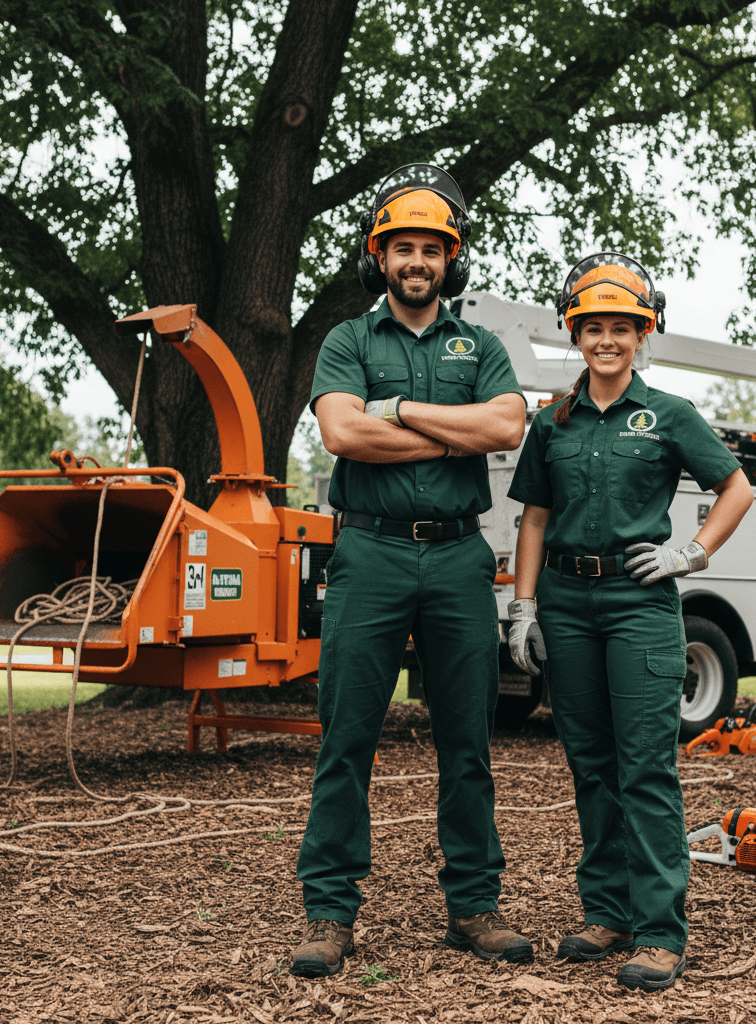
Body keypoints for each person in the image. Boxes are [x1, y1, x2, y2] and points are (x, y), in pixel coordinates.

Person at [291, 165, 530, 978]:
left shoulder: (481, 345)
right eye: (403, 249)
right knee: (347, 736)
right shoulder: (348, 341)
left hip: (460, 556)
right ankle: (329, 913)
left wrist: (396, 412)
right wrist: (451, 434)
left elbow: (506, 426)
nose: (417, 261)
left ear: (450, 262)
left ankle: (473, 905)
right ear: (378, 258)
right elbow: (343, 437)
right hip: (371, 551)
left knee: (468, 740)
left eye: (432, 249)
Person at [506, 253, 753, 992]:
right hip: (568, 604)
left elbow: (734, 487)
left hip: (641, 605)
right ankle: (607, 912)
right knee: (590, 762)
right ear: (575, 333)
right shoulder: (551, 421)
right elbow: (534, 518)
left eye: (623, 327)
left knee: (645, 766)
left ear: (644, 333)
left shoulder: (669, 415)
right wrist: (522, 608)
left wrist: (691, 553)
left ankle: (657, 931)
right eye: (593, 327)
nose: (607, 339)